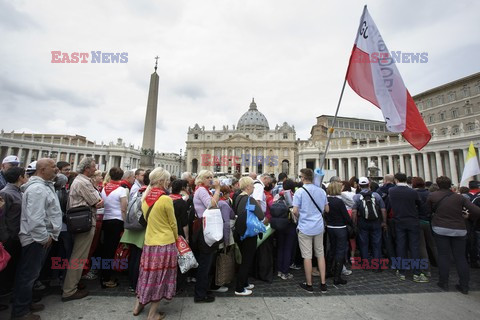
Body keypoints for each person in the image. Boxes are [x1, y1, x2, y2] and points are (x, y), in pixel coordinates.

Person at [12, 158, 62, 320]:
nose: (56, 169)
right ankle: (20, 312)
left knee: (32, 274)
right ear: (42, 170)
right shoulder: (38, 190)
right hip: (36, 239)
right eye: (53, 167)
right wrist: (44, 237)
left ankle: (26, 303)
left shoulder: (43, 187)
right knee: (28, 275)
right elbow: (36, 217)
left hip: (40, 238)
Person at [133, 167, 177, 319]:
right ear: (161, 181)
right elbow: (173, 224)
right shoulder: (165, 199)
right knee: (160, 277)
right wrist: (177, 239)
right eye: (167, 180)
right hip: (165, 243)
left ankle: (138, 304)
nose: (169, 183)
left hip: (149, 242)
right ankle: (152, 314)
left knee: (146, 274)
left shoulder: (145, 197)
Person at [426, 176, 480, 294]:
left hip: (440, 228)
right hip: (459, 229)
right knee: (460, 257)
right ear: (450, 185)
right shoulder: (459, 197)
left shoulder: (433, 196)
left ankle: (443, 282)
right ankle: (464, 285)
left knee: (443, 255)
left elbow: (427, 212)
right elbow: (476, 210)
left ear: (438, 185)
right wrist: (469, 217)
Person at [62, 157, 103, 302]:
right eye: (93, 167)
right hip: (84, 222)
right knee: (78, 256)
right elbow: (97, 202)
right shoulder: (83, 182)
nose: (95, 169)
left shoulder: (80, 180)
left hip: (80, 221)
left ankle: (72, 284)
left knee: (78, 255)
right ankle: (69, 290)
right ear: (87, 169)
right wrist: (100, 200)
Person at [292, 168, 329, 293]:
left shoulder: (299, 192)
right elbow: (327, 209)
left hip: (305, 227)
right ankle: (323, 283)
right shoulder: (321, 191)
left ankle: (309, 284)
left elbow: (295, 211)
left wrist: (298, 216)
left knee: (307, 256)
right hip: (318, 227)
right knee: (320, 254)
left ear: (303, 178)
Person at [388, 173, 428, 282]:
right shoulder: (413, 192)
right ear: (406, 180)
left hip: (399, 221)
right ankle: (416, 273)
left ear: (396, 180)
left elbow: (389, 206)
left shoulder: (392, 191)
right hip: (413, 221)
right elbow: (421, 206)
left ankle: (401, 272)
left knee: (400, 246)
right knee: (414, 247)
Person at [192, 170, 221, 303]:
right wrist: (218, 189)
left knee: (206, 261)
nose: (211, 179)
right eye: (208, 177)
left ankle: (203, 289)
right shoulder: (202, 191)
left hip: (204, 227)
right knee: (205, 262)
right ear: (202, 179)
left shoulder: (202, 190)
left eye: (212, 177)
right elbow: (211, 204)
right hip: (204, 229)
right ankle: (200, 293)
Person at [232, 177, 264, 296]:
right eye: (252, 185)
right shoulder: (250, 200)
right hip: (249, 233)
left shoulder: (238, 197)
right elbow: (260, 216)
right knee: (247, 261)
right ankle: (239, 288)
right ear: (247, 187)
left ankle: (244, 282)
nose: (254, 187)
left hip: (240, 232)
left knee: (244, 259)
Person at [121, 170, 151, 293]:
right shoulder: (148, 193)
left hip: (132, 226)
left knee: (134, 255)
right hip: (141, 229)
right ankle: (135, 284)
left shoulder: (138, 190)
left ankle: (132, 282)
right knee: (139, 257)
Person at [0, 167, 28, 297]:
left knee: (14, 265)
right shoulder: (6, 193)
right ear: (20, 177)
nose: (26, 177)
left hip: (17, 235)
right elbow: (2, 216)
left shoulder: (18, 191)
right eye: (24, 175)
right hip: (10, 237)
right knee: (6, 266)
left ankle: (10, 290)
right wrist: (5, 236)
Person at [100, 167, 128, 288]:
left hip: (106, 220)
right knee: (112, 250)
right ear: (121, 177)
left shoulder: (105, 188)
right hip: (117, 221)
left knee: (106, 249)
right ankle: (107, 277)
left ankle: (104, 274)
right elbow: (123, 208)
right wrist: (125, 223)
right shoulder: (121, 190)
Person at [351, 177, 386, 273]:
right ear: (369, 184)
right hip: (376, 221)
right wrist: (384, 222)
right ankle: (377, 265)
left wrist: (354, 224)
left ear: (359, 185)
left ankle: (366, 264)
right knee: (377, 243)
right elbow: (383, 210)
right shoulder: (376, 195)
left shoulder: (356, 197)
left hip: (363, 221)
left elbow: (354, 212)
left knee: (364, 243)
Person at [326, 181, 352, 285]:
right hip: (340, 228)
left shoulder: (326, 200)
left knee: (332, 249)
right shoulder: (339, 202)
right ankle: (337, 276)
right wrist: (351, 224)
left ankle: (329, 271)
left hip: (330, 227)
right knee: (340, 252)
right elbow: (346, 217)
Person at [412, 176, 437, 277]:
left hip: (418, 221)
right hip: (429, 220)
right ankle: (442, 265)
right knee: (433, 245)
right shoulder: (430, 194)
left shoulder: (413, 194)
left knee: (422, 247)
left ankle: (427, 269)